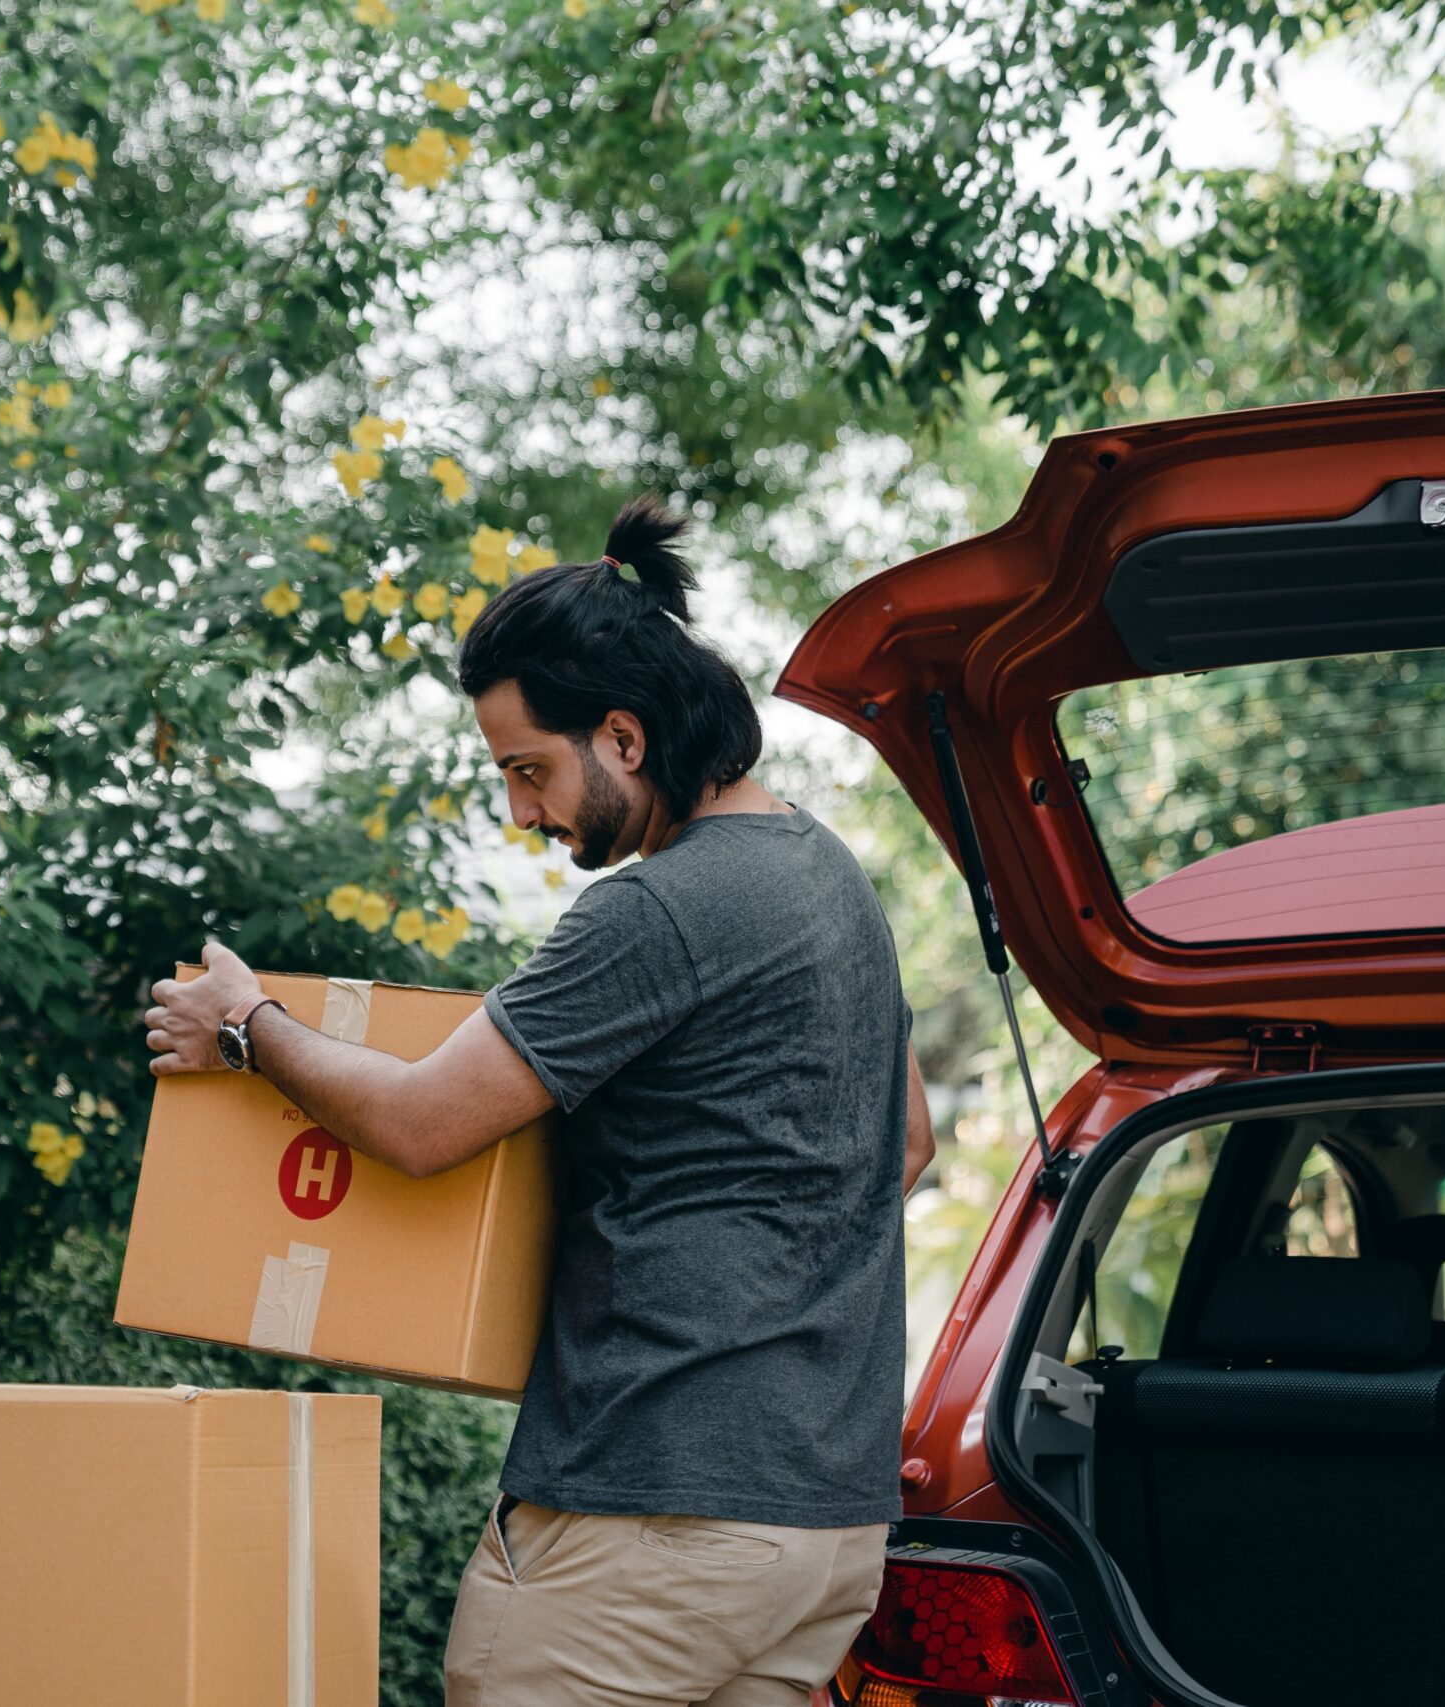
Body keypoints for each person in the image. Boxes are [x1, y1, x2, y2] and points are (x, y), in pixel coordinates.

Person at [143, 492, 931, 1705]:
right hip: (819, 1533)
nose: (519, 810)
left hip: (650, 1519)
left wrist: (247, 1027)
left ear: (623, 737)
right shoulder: (831, 879)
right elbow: (910, 1145)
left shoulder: (657, 909)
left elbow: (418, 1124)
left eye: (529, 770)